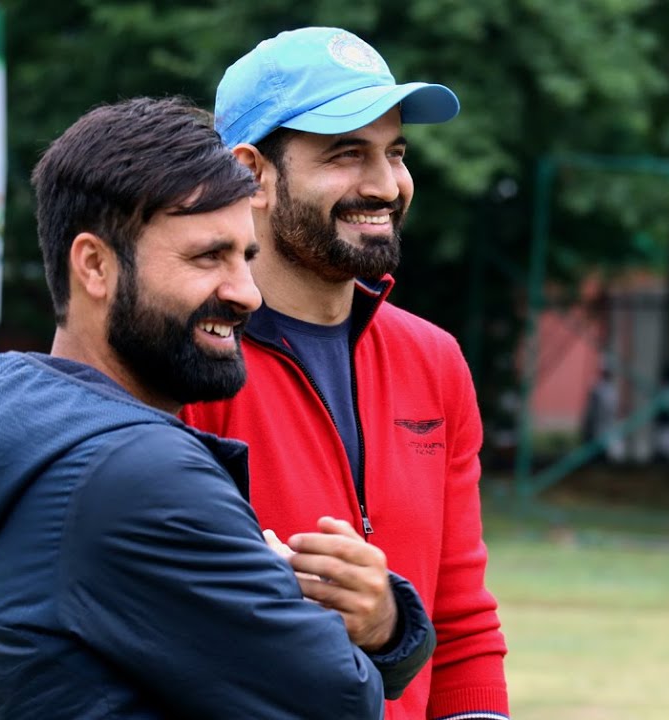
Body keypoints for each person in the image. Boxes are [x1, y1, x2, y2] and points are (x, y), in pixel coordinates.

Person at [0, 96, 436, 719]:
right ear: (95, 266)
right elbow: (337, 703)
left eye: (246, 257)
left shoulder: (43, 433)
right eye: (206, 257)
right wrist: (385, 625)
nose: (245, 294)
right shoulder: (136, 472)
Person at [180, 27, 510, 720]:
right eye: (347, 154)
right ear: (252, 174)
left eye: (395, 153)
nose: (385, 184)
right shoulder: (186, 361)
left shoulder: (435, 361)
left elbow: (463, 625)